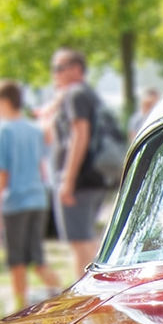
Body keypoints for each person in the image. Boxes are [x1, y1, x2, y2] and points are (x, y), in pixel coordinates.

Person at [0, 80, 61, 311]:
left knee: (17, 261)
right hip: (38, 198)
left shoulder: (4, 129)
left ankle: (19, 309)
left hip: (15, 201)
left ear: (4, 102)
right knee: (38, 261)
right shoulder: (34, 129)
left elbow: (2, 171)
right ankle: (61, 297)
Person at [45, 47, 111, 278]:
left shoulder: (76, 95)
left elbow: (79, 133)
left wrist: (68, 179)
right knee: (85, 239)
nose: (55, 75)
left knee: (81, 243)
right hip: (95, 176)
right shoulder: (87, 94)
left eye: (59, 69)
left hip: (80, 180)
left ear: (75, 69)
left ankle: (86, 299)